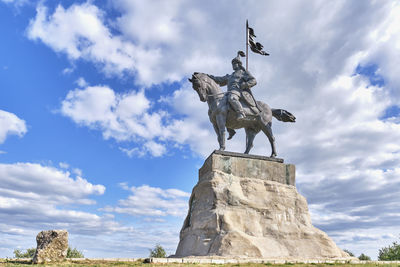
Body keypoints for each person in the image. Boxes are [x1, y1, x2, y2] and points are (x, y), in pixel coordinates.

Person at [209, 51, 257, 120]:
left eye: (234, 63)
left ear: (239, 64)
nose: (233, 65)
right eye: (232, 64)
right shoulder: (230, 76)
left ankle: (241, 113)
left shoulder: (243, 73)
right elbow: (219, 79)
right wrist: (209, 77)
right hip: (229, 92)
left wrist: (245, 84)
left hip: (238, 91)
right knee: (220, 104)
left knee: (232, 98)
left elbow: (253, 80)